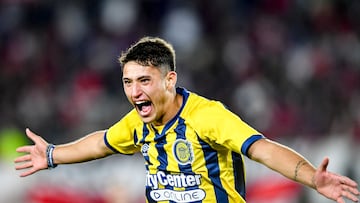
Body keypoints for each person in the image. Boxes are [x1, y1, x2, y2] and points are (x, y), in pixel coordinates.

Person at [15, 36, 359, 203]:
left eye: (144, 81)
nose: (134, 92)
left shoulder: (207, 116)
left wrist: (313, 178)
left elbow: (262, 149)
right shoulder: (137, 122)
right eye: (128, 82)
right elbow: (102, 142)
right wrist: (51, 155)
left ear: (170, 80)